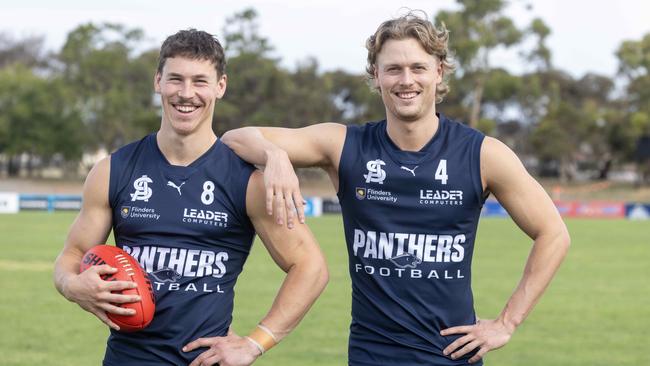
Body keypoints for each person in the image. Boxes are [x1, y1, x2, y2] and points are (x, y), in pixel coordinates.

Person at [221, 12, 570, 366]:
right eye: (393, 69)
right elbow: (235, 138)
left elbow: (554, 233)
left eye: (418, 68)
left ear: (439, 71)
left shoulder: (482, 154)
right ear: (376, 75)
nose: (406, 80)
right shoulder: (344, 145)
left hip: (451, 358)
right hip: (372, 357)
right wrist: (274, 156)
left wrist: (507, 323)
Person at [53, 29, 328, 366]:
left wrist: (256, 343)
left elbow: (310, 267)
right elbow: (73, 253)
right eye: (175, 79)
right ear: (158, 81)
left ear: (220, 86)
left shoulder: (245, 181)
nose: (186, 94)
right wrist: (71, 284)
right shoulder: (113, 170)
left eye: (200, 81)